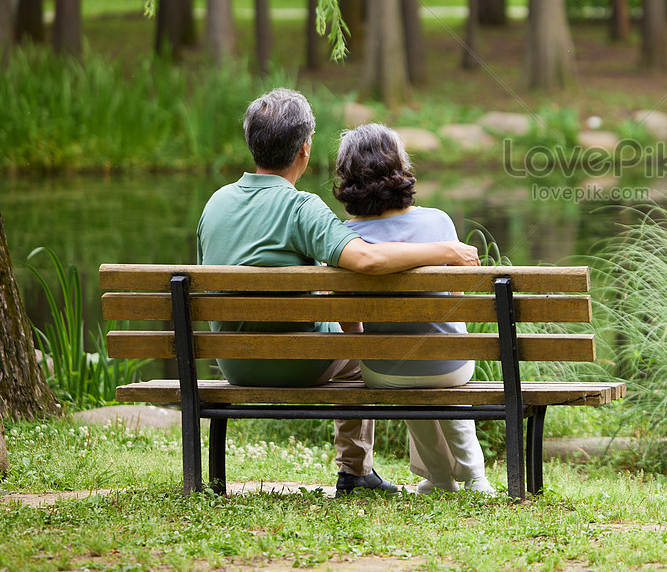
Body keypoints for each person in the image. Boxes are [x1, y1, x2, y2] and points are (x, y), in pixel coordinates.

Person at [197, 88, 480, 496]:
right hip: (295, 363)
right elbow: (365, 261)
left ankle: (409, 472)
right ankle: (355, 470)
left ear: (251, 142)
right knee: (361, 346)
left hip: (233, 363)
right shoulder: (301, 208)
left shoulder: (215, 204)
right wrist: (447, 249)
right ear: (304, 151)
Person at [332, 122, 494, 495]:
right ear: (399, 167)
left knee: (403, 365)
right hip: (450, 366)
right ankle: (476, 477)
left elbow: (349, 324)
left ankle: (439, 478)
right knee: (444, 351)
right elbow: (457, 302)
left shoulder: (345, 237)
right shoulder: (437, 221)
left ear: (348, 177)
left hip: (385, 371)